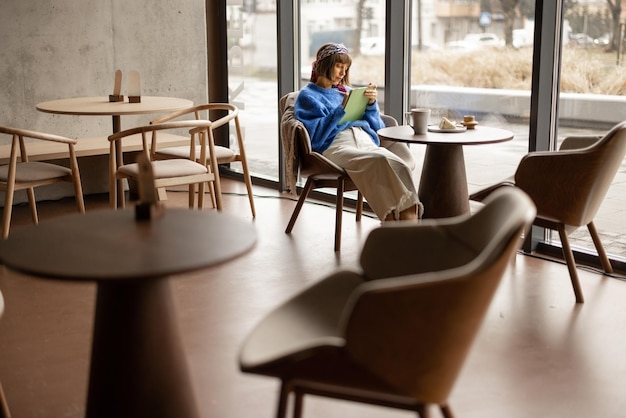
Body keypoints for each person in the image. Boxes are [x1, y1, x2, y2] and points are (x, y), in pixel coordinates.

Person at [295, 43, 422, 221]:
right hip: (336, 146)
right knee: (379, 160)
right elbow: (315, 138)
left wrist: (371, 106)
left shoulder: (347, 91)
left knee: (399, 165)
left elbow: (379, 129)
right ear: (325, 65)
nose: (342, 73)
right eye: (339, 66)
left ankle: (409, 222)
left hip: (365, 141)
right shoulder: (308, 96)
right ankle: (393, 223)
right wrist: (340, 109)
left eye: (345, 68)